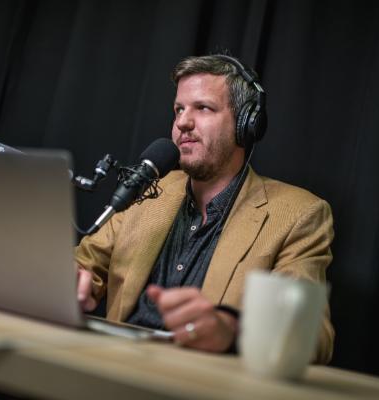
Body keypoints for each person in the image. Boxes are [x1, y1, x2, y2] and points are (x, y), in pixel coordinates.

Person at [74, 54, 335, 363]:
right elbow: (85, 264)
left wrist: (231, 330)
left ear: (246, 125)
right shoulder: (148, 188)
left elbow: (312, 336)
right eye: (179, 109)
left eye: (203, 108)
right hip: (111, 365)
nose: (182, 122)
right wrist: (73, 280)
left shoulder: (299, 214)